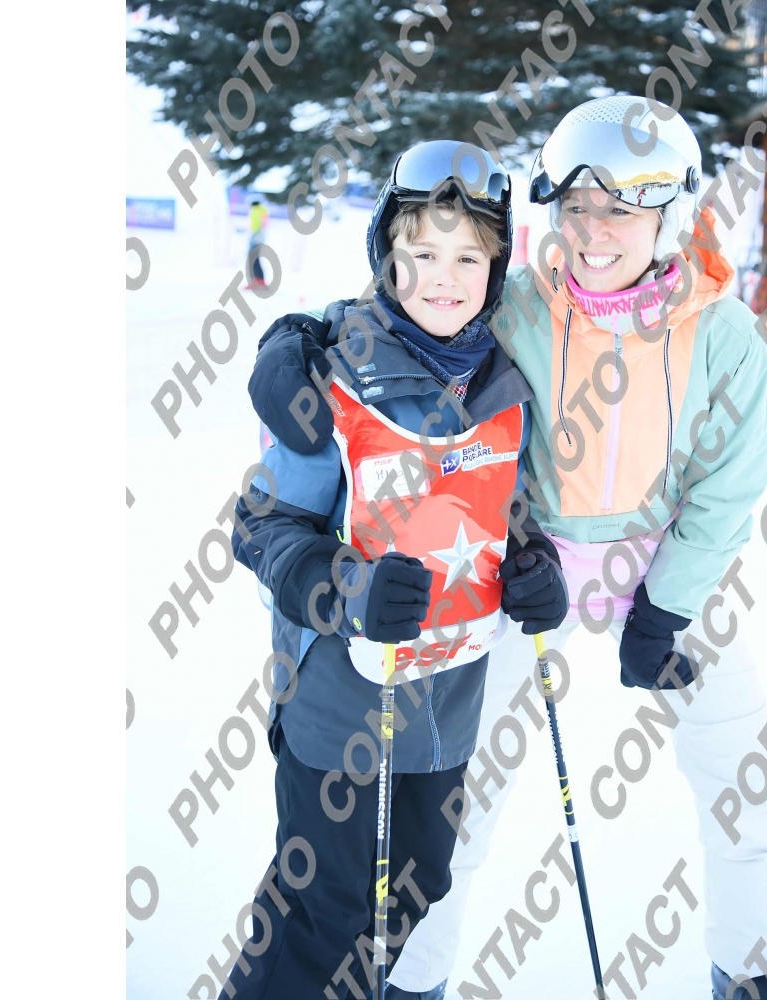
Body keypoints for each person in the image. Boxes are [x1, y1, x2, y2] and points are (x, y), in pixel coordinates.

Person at [244, 99, 767, 1000]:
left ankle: (761, 967)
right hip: (526, 566)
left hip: (667, 563)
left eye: (620, 210)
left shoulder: (720, 330)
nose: (594, 231)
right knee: (462, 793)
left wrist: (666, 608)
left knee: (747, 775)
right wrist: (295, 335)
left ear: (672, 215)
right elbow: (414, 299)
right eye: (576, 208)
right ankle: (410, 979)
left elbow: (730, 485)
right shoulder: (524, 305)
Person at [226, 140, 570, 1000]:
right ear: (386, 254)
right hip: (338, 705)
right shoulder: (332, 374)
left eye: (468, 258)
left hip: (443, 714)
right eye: (421, 254)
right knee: (323, 913)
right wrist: (348, 588)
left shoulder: (505, 385)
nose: (442, 279)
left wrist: (534, 567)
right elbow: (261, 525)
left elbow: (501, 514)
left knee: (412, 895)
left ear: (496, 269)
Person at [247, 195, 269, 288]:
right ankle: (259, 281)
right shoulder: (263, 210)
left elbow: (256, 226)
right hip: (260, 238)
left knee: (253, 260)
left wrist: (252, 236)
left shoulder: (255, 211)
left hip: (255, 239)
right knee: (255, 260)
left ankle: (256, 281)